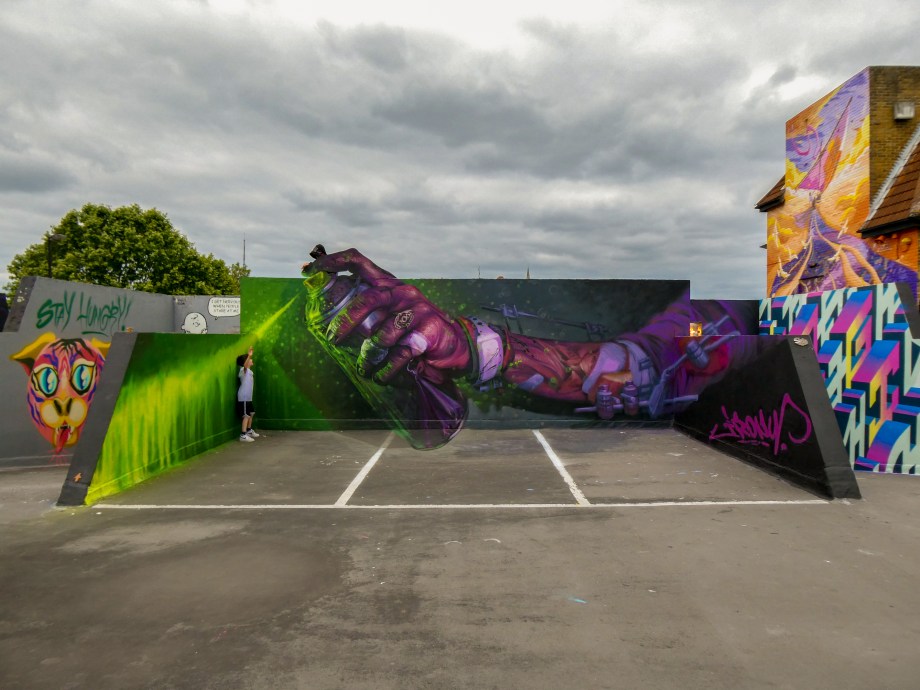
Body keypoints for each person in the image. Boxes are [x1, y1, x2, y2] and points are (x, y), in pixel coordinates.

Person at [301, 247, 759, 447]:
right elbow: (649, 357)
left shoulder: (732, 314)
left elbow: (682, 343)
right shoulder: (697, 315)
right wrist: (472, 349)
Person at [236, 347, 259, 442]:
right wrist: (249, 355)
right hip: (244, 397)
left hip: (248, 398)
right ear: (246, 362)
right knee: (246, 416)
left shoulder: (250, 371)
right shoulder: (243, 370)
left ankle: (249, 430)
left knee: (251, 413)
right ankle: (243, 435)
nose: (251, 360)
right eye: (250, 359)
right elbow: (245, 366)